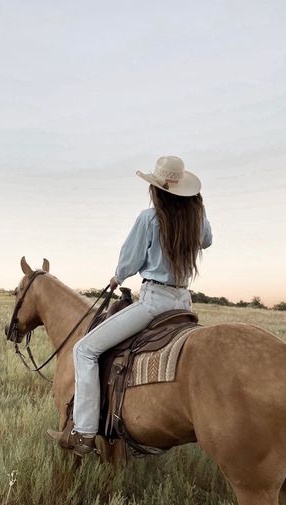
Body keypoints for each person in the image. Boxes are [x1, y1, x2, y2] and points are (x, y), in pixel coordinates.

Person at [48, 156, 212, 456]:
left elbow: (130, 261)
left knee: (84, 350)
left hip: (154, 303)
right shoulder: (196, 220)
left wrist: (118, 276)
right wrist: (196, 207)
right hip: (184, 305)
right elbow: (207, 240)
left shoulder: (149, 218)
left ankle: (84, 432)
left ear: (157, 190)